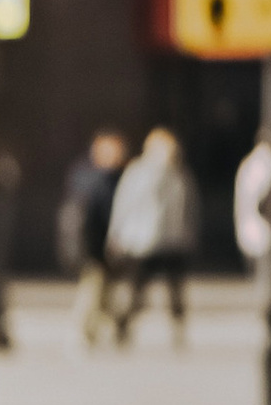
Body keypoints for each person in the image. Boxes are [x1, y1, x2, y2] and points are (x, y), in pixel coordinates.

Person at [105, 125, 198, 346]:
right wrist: (116, 235)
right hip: (144, 242)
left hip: (169, 242)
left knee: (174, 292)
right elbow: (124, 205)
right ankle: (123, 328)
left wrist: (188, 234)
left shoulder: (178, 174)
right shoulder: (140, 173)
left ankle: (177, 333)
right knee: (138, 292)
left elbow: (189, 208)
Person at [60, 130, 128, 347]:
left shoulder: (113, 177)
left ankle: (104, 330)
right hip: (91, 246)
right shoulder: (92, 178)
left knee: (103, 291)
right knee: (92, 289)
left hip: (104, 245)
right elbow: (89, 218)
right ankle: (84, 330)